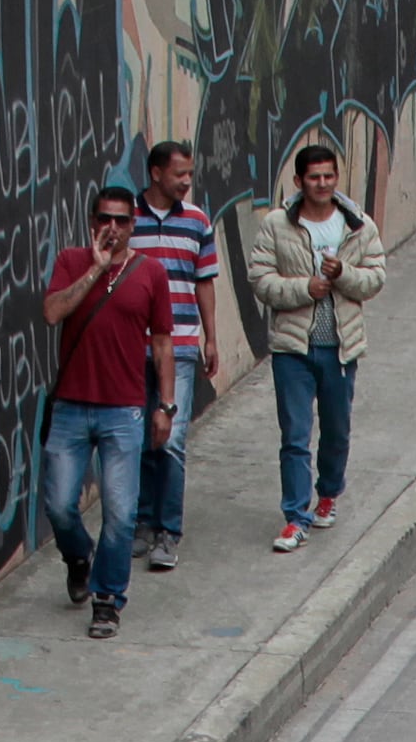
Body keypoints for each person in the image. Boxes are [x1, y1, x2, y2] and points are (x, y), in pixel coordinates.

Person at [234, 143, 387, 551]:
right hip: (293, 350)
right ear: (299, 182)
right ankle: (295, 517)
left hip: (340, 348)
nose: (322, 184)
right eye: (314, 177)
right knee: (295, 434)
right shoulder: (276, 225)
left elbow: (375, 278)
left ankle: (328, 493)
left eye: (329, 176)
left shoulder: (358, 225)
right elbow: (260, 280)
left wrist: (343, 276)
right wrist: (306, 288)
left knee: (336, 430)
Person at [39, 184, 172, 639]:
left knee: (119, 512)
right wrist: (95, 270)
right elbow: (53, 313)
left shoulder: (150, 272)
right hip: (72, 408)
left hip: (124, 411)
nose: (110, 228)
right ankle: (79, 556)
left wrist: (165, 406)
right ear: (91, 221)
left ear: (133, 225)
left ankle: (107, 598)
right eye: (102, 219)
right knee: (58, 505)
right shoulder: (70, 262)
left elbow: (161, 343)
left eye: (120, 220)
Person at [130, 141, 222, 570]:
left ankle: (168, 532)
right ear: (155, 174)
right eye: (179, 174)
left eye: (190, 174)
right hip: (132, 349)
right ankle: (143, 523)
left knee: (172, 441)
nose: (187, 181)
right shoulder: (127, 219)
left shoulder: (198, 221)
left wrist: (211, 337)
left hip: (182, 347)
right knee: (141, 439)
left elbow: (204, 281)